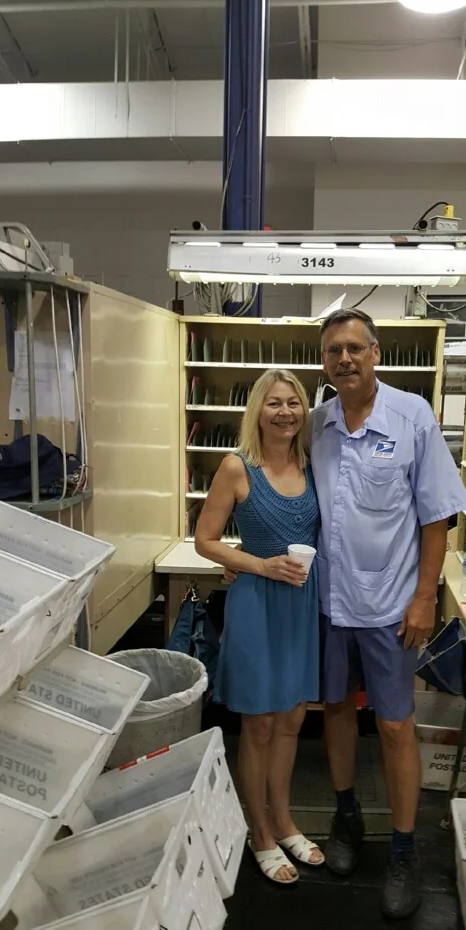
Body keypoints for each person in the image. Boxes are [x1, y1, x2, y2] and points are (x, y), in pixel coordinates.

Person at [310, 308, 466, 919]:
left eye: (355, 348)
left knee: (397, 726)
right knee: (336, 712)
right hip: (331, 602)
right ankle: (346, 816)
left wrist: (426, 596)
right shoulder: (318, 423)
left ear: (376, 352)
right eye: (334, 351)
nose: (345, 359)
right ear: (324, 362)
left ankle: (404, 850)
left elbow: (437, 518)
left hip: (391, 607)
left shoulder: (413, 417)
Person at [195, 368, 324, 885]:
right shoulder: (237, 467)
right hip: (255, 603)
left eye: (293, 402)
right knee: (260, 723)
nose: (285, 412)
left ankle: (284, 819)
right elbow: (205, 540)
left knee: (292, 717)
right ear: (257, 410)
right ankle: (260, 831)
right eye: (274, 403)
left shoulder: (312, 464)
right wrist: (258, 564)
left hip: (301, 604)